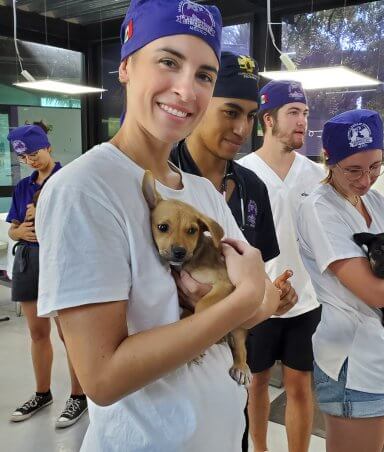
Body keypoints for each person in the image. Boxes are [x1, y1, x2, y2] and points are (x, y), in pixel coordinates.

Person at [35, 2, 280, 450]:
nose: (187, 90)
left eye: (204, 75)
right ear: (126, 65)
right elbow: (104, 378)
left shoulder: (202, 194)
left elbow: (268, 299)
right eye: (168, 61)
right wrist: (238, 297)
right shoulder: (85, 189)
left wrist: (249, 298)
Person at [169, 51, 298, 451]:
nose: (242, 128)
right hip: (173, 363)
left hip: (234, 359)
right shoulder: (162, 180)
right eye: (230, 112)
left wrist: (274, 296)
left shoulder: (251, 187)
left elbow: (256, 275)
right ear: (200, 102)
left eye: (249, 115)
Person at [296, 109, 384, 452]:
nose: (366, 180)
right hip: (355, 363)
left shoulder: (378, 203)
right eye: (354, 170)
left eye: (375, 166)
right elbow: (378, 291)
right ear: (329, 161)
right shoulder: (321, 209)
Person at [238, 80, 323, 452]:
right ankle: (259, 449)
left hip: (306, 301)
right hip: (256, 303)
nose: (302, 121)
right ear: (267, 119)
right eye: (293, 112)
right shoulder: (241, 174)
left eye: (305, 113)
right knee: (255, 384)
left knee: (300, 385)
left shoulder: (317, 175)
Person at [6, 123, 88, 429]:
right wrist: (19, 229)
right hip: (29, 261)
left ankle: (79, 396)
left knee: (70, 334)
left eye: (35, 154)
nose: (31, 161)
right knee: (37, 333)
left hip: (62, 262)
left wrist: (43, 220)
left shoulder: (69, 180)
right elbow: (13, 227)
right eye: (25, 158)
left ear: (48, 146)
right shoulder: (22, 187)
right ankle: (43, 393)